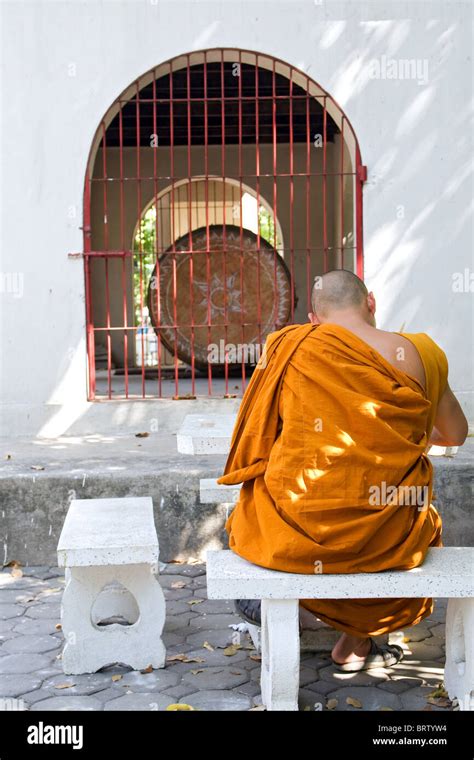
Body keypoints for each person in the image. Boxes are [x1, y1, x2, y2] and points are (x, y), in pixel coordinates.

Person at [217, 269, 468, 671]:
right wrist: (410, 432)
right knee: (412, 513)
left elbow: (261, 437)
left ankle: (312, 622)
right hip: (388, 538)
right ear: (371, 301)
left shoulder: (291, 347)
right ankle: (356, 639)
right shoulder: (421, 353)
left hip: (296, 534)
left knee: (263, 502)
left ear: (314, 320)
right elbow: (456, 434)